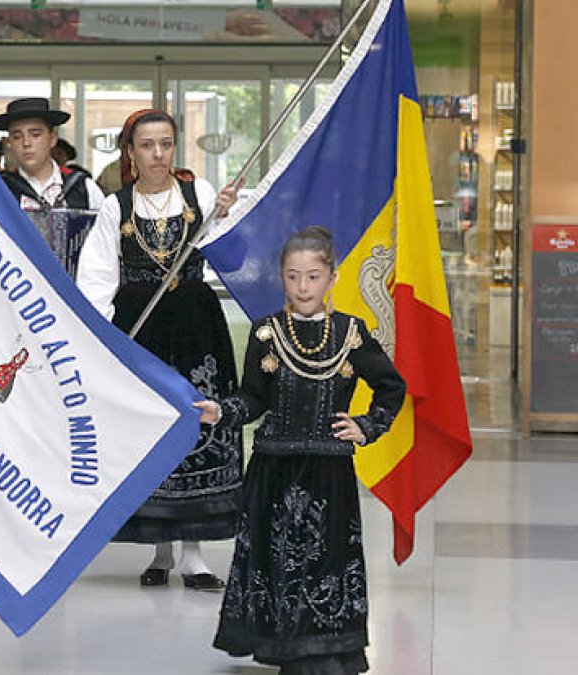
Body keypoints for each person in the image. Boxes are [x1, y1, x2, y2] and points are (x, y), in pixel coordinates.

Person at [199, 226, 407, 675]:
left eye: (312, 277)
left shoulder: (351, 334)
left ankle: (327, 646)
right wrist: (223, 410)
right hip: (273, 467)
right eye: (293, 277)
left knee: (327, 558)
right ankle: (285, 646)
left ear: (331, 278)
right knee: (277, 560)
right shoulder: (265, 334)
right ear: (281, 278)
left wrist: (367, 425)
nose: (303, 287)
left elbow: (392, 386)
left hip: (328, 470)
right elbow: (253, 397)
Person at [75, 109, 240, 590]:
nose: (158, 154)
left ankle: (194, 552)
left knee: (197, 420)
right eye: (147, 146)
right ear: (130, 152)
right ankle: (160, 550)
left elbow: (232, 253)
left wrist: (227, 216)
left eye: (166, 144)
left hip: (195, 324)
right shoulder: (115, 206)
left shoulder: (201, 196)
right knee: (149, 429)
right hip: (140, 329)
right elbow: (98, 277)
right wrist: (106, 341)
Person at [0, 97, 104, 214]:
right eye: (17, 137)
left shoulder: (85, 188)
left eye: (36, 135)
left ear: (52, 139)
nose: (26, 143)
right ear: (10, 142)